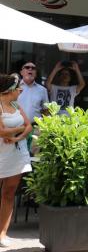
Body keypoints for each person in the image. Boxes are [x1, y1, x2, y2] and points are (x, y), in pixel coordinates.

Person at [0, 74, 33, 247]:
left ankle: (2, 234)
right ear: (11, 90)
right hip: (1, 155)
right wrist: (18, 131)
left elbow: (30, 126)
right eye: (19, 88)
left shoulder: (16, 104)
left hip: (18, 154)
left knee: (9, 193)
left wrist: (15, 137)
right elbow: (1, 132)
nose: (21, 91)